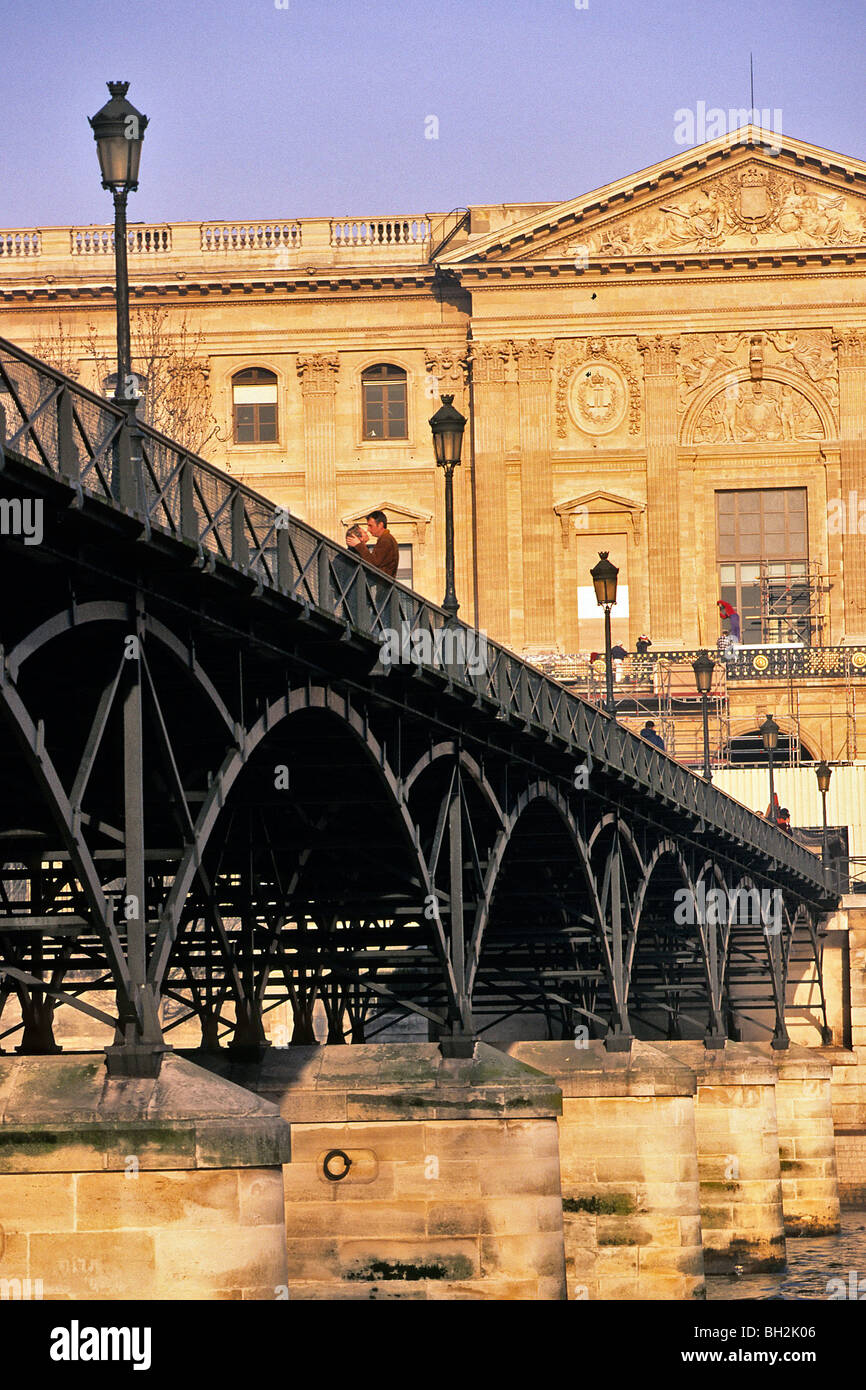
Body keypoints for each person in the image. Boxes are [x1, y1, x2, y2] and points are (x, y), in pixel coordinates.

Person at [349, 509, 399, 577]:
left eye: (370, 526)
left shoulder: (386, 540)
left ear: (380, 525)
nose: (368, 529)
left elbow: (373, 562)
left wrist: (359, 545)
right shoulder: (386, 538)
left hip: (383, 584)